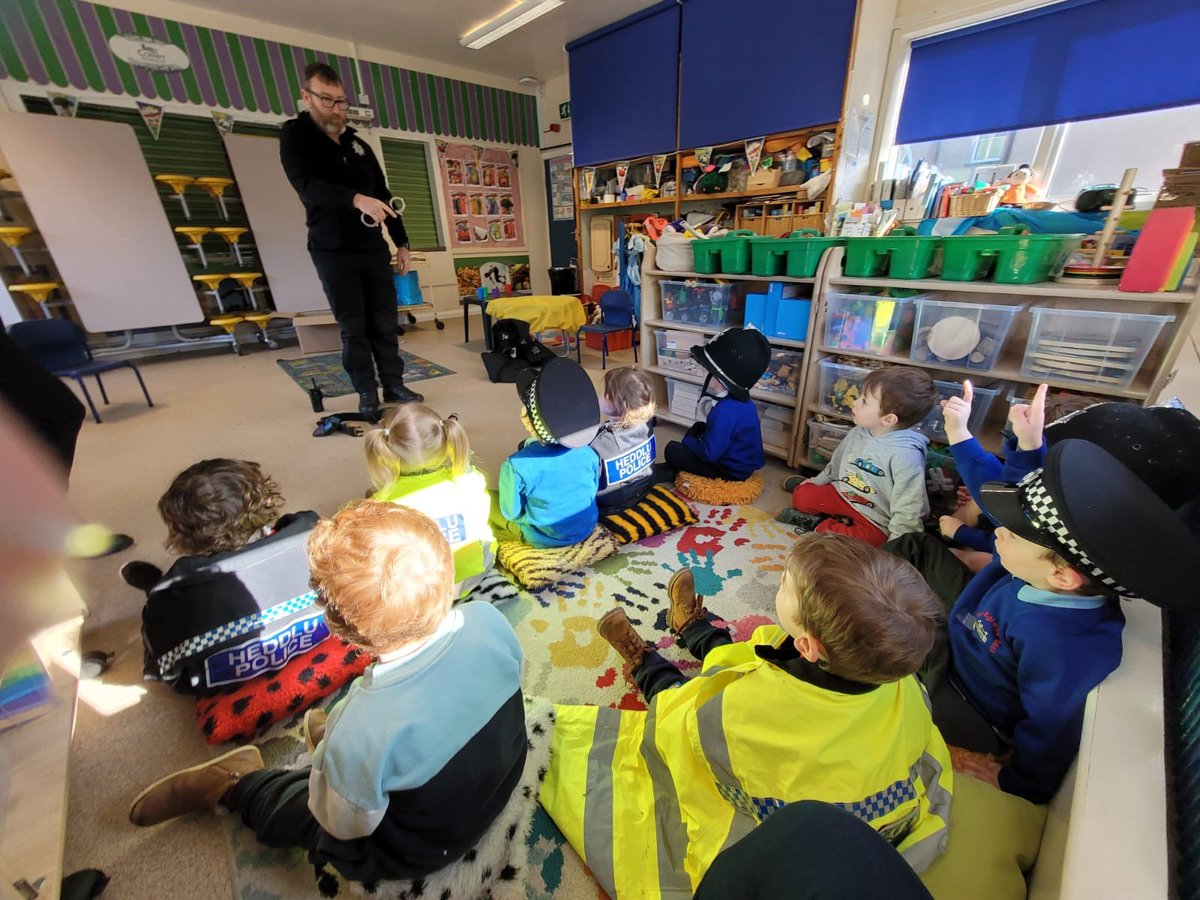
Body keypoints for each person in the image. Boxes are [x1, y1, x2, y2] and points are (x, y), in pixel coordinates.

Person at [129, 501, 528, 887]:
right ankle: (348, 763)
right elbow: (505, 681)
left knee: (305, 810)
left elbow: (342, 823)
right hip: (503, 776)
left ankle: (234, 784)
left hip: (423, 848)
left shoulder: (365, 726)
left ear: (342, 631)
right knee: (358, 753)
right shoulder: (487, 619)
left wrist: (335, 765)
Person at [540, 534, 953, 897]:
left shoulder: (747, 713)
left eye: (785, 586)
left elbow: (684, 731)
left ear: (809, 647)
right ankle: (693, 628)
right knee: (757, 648)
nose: (778, 581)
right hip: (850, 804)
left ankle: (645, 663)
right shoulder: (903, 682)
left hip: (786, 818)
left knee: (680, 697)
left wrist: (680, 706)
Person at [888, 382, 1200, 803]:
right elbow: (1023, 495)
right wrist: (1028, 444)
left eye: (1011, 535)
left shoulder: (1067, 642)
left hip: (970, 705)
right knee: (916, 548)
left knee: (892, 675)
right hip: (966, 639)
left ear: (1063, 577)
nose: (998, 530)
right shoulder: (1048, 561)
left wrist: (1019, 782)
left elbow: (1052, 727)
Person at [280, 62, 422, 421]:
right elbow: (307, 186)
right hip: (332, 249)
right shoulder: (296, 137)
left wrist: (401, 242)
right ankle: (365, 393)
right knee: (354, 327)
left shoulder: (358, 144)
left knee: (384, 322)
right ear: (307, 96)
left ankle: (393, 384)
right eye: (327, 100)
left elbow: (384, 194)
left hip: (372, 248)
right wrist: (355, 199)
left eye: (342, 101)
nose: (337, 109)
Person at [132, 458, 320, 692]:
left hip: (211, 680)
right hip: (314, 638)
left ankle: (153, 589)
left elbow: (169, 655)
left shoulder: (182, 582)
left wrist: (161, 596)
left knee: (159, 612)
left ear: (184, 535)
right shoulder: (310, 532)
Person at [779, 366, 937, 546]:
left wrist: (898, 547)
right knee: (801, 497)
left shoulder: (906, 456)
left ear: (888, 420)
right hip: (843, 492)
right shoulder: (859, 431)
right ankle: (826, 508)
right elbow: (836, 464)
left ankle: (817, 524)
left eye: (864, 401)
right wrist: (817, 481)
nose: (855, 402)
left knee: (872, 542)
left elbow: (910, 508)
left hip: (875, 515)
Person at [367, 403, 496, 597]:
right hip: (473, 575)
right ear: (446, 440)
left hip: (422, 593)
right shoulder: (470, 480)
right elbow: (482, 518)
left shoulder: (383, 501)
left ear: (387, 451)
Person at [498, 357, 601, 547]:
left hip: (542, 537)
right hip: (587, 526)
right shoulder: (589, 453)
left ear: (527, 421)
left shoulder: (515, 466)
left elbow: (511, 512)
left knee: (491, 506)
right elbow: (592, 489)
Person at [661, 327, 770, 482]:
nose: (703, 372)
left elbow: (709, 454)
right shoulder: (739, 403)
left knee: (672, 449)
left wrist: (690, 442)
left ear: (720, 380)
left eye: (707, 370)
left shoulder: (725, 410)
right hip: (738, 460)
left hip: (731, 471)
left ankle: (676, 468)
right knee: (698, 427)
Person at [589, 366, 657, 511]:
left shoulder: (599, 442)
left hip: (610, 502)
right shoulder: (647, 427)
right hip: (645, 487)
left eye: (606, 394)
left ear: (609, 400)